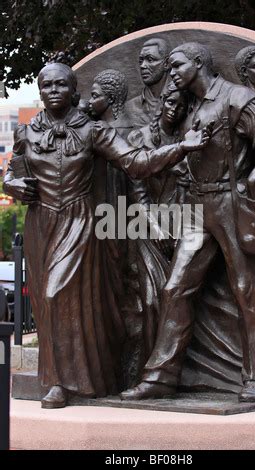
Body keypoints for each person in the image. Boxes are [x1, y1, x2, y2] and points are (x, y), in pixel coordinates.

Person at [3, 62, 211, 409]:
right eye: (46, 85)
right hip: (40, 222)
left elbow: (136, 163)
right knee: (46, 306)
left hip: (79, 221)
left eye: (61, 85)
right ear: (40, 91)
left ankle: (61, 384)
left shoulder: (93, 132)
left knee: (57, 295)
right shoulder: (27, 132)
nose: (53, 90)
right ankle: (78, 381)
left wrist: (182, 147)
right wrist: (12, 184)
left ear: (74, 91)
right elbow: (12, 171)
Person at [120, 42, 255, 403]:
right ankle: (161, 377)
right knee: (175, 287)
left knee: (248, 289)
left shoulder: (236, 97)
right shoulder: (191, 105)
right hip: (198, 207)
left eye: (177, 65)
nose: (172, 73)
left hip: (233, 203)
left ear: (198, 63)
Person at [127, 82, 190, 370]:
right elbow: (137, 195)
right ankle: (149, 371)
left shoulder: (191, 139)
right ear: (161, 103)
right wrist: (158, 230)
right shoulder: (141, 138)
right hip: (147, 229)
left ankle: (175, 371)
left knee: (177, 298)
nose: (174, 110)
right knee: (152, 299)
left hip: (183, 227)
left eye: (181, 106)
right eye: (170, 103)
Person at [126, 38, 169, 128]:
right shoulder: (129, 107)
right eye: (141, 61)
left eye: (150, 60)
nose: (143, 66)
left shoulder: (179, 101)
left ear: (166, 63)